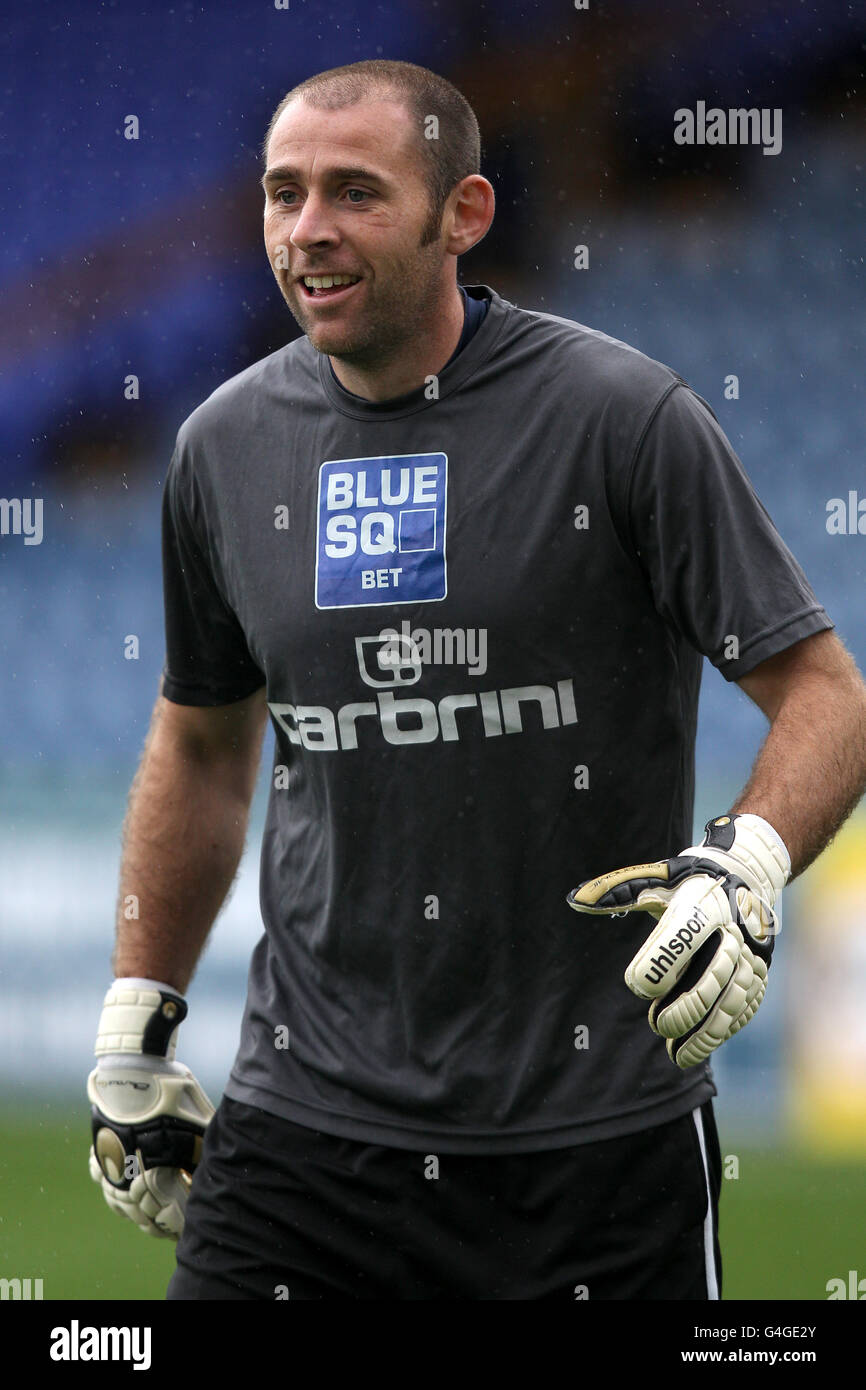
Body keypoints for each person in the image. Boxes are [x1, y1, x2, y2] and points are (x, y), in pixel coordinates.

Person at [87, 58, 866, 1300]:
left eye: (355, 193)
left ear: (463, 214)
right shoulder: (221, 447)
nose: (307, 230)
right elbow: (200, 744)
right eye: (283, 194)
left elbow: (825, 693)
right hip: (300, 1137)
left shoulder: (624, 418)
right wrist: (139, 1009)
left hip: (593, 1153)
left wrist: (746, 864)